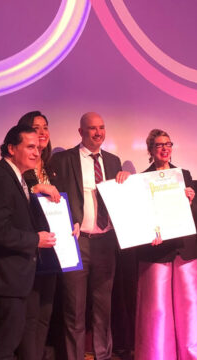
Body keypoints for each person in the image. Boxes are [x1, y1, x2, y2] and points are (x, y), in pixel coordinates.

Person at [49, 112, 130, 360]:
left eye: (101, 127)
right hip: (77, 242)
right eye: (92, 128)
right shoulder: (63, 160)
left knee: (103, 308)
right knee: (74, 309)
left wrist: (126, 181)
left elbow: (121, 198)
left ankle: (102, 355)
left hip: (105, 241)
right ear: (81, 132)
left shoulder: (114, 161)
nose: (98, 133)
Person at [134, 129, 197, 360]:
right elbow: (140, 216)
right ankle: (157, 354)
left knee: (190, 305)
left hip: (184, 248)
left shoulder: (183, 175)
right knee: (158, 307)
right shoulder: (141, 179)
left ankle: (195, 354)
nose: (165, 148)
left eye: (168, 144)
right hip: (156, 250)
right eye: (159, 145)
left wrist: (190, 200)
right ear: (150, 150)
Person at [0, 125, 56, 360]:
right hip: (4, 281)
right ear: (11, 148)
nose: (36, 153)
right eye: (30, 147)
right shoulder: (0, 178)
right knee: (1, 348)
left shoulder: (18, 177)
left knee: (9, 345)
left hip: (15, 280)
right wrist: (35, 239)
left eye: (38, 148)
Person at [16, 111, 61, 360]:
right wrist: (37, 187)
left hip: (53, 247)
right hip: (31, 248)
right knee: (31, 314)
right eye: (36, 128)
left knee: (46, 312)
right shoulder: (21, 168)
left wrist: (73, 222)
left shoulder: (52, 167)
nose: (42, 132)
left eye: (45, 127)